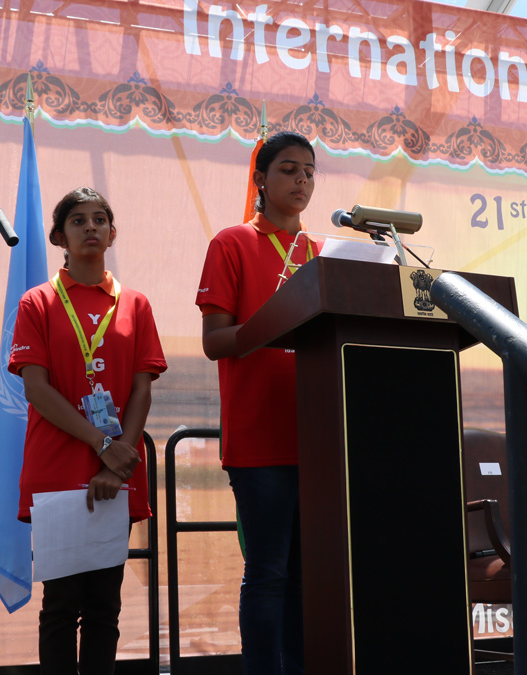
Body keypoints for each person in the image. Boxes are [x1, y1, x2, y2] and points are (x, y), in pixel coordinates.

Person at [8, 187, 166, 674]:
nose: (91, 227)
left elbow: (141, 390)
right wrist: (103, 444)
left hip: (117, 471)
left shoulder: (135, 304)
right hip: (58, 470)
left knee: (104, 607)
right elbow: (36, 389)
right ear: (59, 237)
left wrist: (118, 463)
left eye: (100, 219)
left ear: (113, 234)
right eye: (78, 220)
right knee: (60, 607)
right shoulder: (37, 303)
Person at [196, 131, 318, 675]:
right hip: (259, 438)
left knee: (307, 577)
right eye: (289, 169)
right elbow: (214, 341)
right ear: (260, 180)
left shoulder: (321, 254)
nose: (301, 180)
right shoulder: (232, 243)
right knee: (269, 572)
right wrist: (275, 324)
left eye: (309, 172)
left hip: (318, 437)